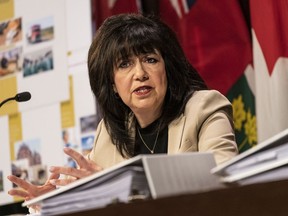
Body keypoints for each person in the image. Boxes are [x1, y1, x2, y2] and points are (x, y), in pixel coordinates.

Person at [7, 13, 238, 212]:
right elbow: (88, 196)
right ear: (113, 85)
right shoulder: (108, 134)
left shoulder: (204, 108)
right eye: (125, 64)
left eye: (150, 60)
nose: (140, 73)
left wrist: (111, 190)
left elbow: (226, 183)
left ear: (167, 69)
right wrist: (55, 201)